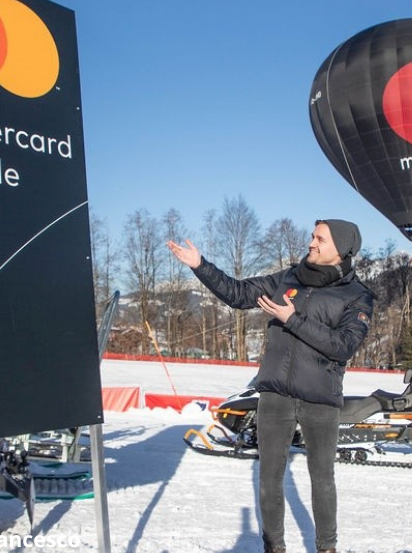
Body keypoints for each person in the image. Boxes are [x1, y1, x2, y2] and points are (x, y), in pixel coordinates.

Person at [168, 219, 374, 553]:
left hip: (320, 400)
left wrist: (293, 319)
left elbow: (343, 346)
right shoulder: (287, 278)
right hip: (275, 395)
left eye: (320, 238)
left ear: (341, 248)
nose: (312, 242)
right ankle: (273, 546)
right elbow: (237, 294)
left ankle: (327, 547)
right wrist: (200, 266)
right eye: (313, 235)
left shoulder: (357, 295)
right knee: (268, 478)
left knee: (322, 480)